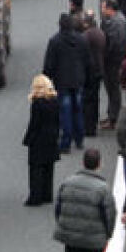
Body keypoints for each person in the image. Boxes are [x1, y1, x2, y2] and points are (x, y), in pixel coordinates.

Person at [43, 13, 94, 152]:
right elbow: (88, 61)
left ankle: (66, 143)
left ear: (60, 25)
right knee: (78, 109)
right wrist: (88, 79)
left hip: (62, 81)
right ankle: (79, 139)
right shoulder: (82, 39)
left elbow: (49, 64)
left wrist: (46, 80)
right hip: (78, 80)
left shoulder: (55, 41)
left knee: (65, 112)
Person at [23, 75, 61, 205]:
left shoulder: (37, 103)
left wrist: (28, 139)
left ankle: (36, 197)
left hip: (39, 140)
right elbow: (57, 121)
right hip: (52, 138)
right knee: (49, 168)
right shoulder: (55, 101)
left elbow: (34, 123)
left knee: (36, 169)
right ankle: (47, 194)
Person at [101, 0, 126, 129]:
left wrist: (105, 55)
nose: (102, 9)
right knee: (112, 89)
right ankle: (111, 115)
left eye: (104, 7)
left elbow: (113, 43)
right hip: (116, 59)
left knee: (113, 88)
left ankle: (114, 117)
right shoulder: (118, 19)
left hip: (113, 61)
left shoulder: (115, 23)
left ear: (110, 8)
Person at [82, 11, 107, 136]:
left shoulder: (86, 36)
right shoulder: (100, 33)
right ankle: (94, 122)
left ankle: (88, 127)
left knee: (87, 100)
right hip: (99, 69)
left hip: (89, 71)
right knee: (95, 98)